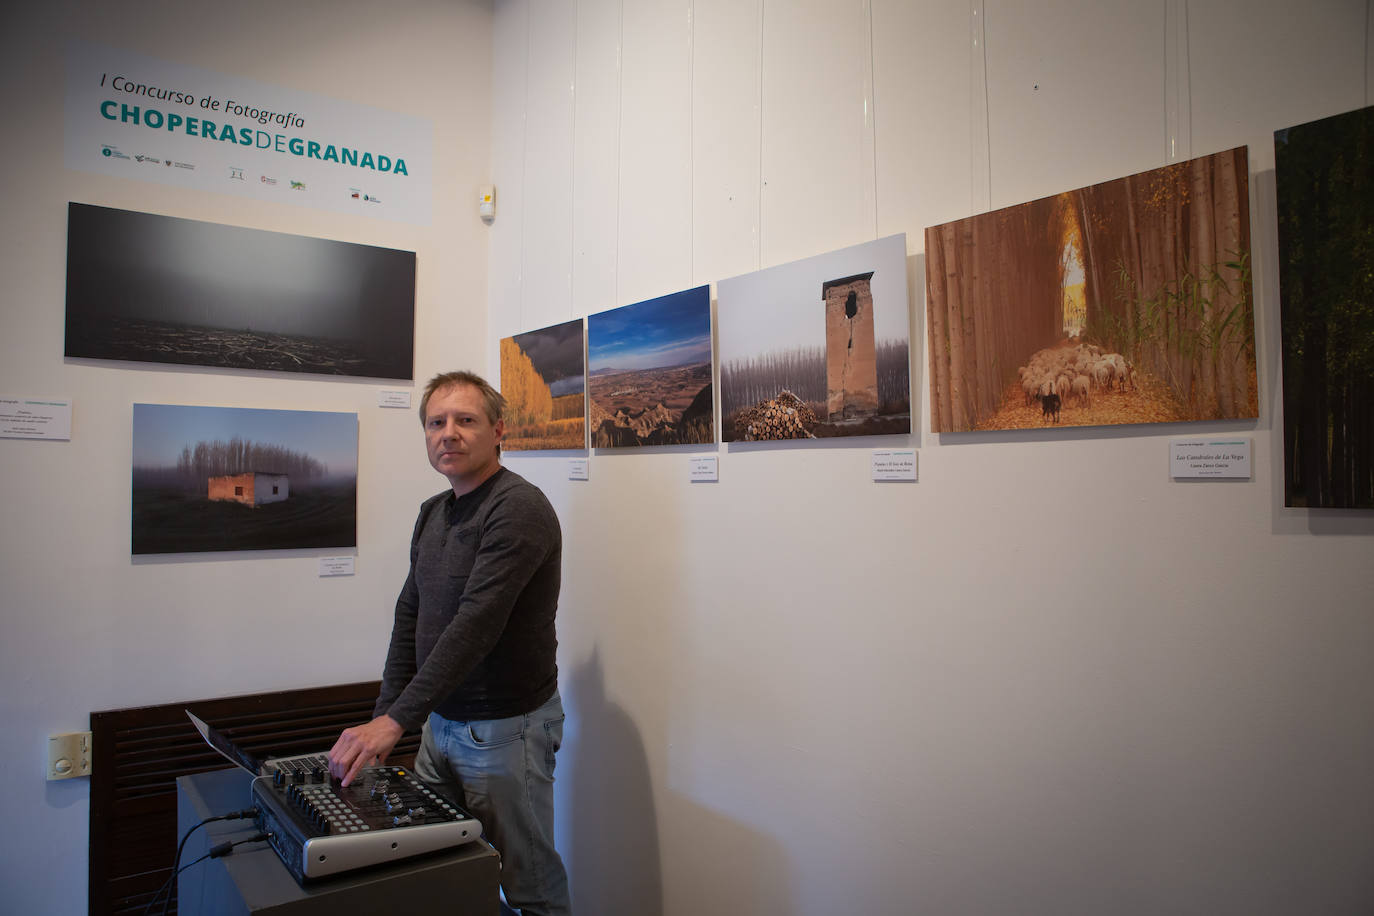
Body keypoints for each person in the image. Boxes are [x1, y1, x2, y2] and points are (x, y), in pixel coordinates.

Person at [328, 370, 571, 916]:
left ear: (498, 430)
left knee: (529, 884)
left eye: (466, 420)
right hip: (442, 725)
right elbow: (409, 616)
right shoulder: (433, 511)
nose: (449, 434)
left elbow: (476, 624)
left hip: (504, 732)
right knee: (446, 873)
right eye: (437, 423)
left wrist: (396, 722)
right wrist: (387, 715)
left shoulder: (518, 508)